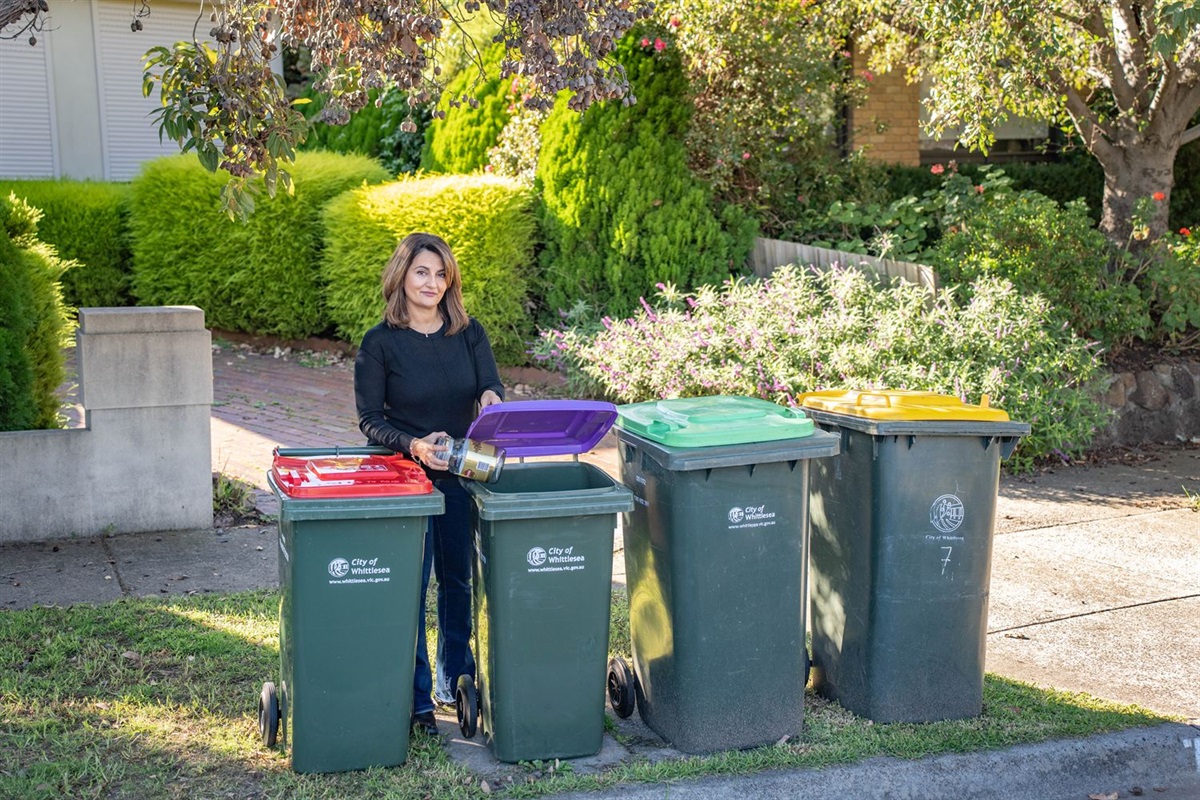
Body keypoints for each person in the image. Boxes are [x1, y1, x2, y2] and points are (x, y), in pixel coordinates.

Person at [354, 232, 504, 737]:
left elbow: (491, 385)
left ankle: (454, 679)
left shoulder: (468, 331)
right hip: (407, 478)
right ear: (402, 275)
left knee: (458, 581)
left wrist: (489, 396)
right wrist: (414, 446)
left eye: (442, 274)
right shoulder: (379, 344)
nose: (433, 283)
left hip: (462, 472)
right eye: (422, 272)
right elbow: (370, 420)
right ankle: (418, 699)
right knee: (412, 588)